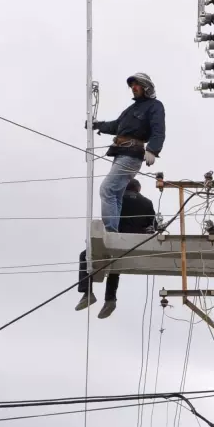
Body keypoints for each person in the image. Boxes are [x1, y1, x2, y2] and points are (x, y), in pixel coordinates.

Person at [91, 73, 165, 232]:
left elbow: (159, 130)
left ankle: (111, 232)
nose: (133, 88)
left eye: (136, 85)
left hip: (132, 154)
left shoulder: (154, 106)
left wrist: (152, 149)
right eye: (132, 86)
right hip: (121, 153)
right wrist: (98, 125)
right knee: (116, 194)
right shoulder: (131, 110)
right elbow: (116, 126)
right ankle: (113, 231)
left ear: (146, 87)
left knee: (107, 189)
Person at [76, 178, 155, 319]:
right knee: (115, 266)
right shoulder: (147, 203)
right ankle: (110, 299)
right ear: (138, 189)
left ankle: (87, 292)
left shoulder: (117, 199)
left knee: (85, 255)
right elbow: (152, 225)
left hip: (116, 237)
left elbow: (108, 216)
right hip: (135, 243)